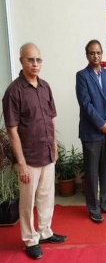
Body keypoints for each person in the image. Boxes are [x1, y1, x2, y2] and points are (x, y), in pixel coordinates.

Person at [2, 43, 66, 260]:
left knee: (47, 197)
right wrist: (20, 163)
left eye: (38, 60)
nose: (35, 64)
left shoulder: (45, 87)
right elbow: (12, 130)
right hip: (28, 158)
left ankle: (45, 231)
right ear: (21, 61)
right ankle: (31, 240)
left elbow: (51, 119)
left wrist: (55, 147)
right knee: (28, 202)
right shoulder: (13, 92)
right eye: (30, 60)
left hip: (47, 153)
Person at [76, 39, 106, 224]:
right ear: (87, 55)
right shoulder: (82, 76)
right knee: (92, 172)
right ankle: (93, 208)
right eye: (92, 53)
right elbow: (85, 104)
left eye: (98, 52)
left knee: (105, 169)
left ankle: (105, 202)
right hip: (92, 132)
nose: (96, 56)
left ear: (102, 54)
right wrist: (101, 123)